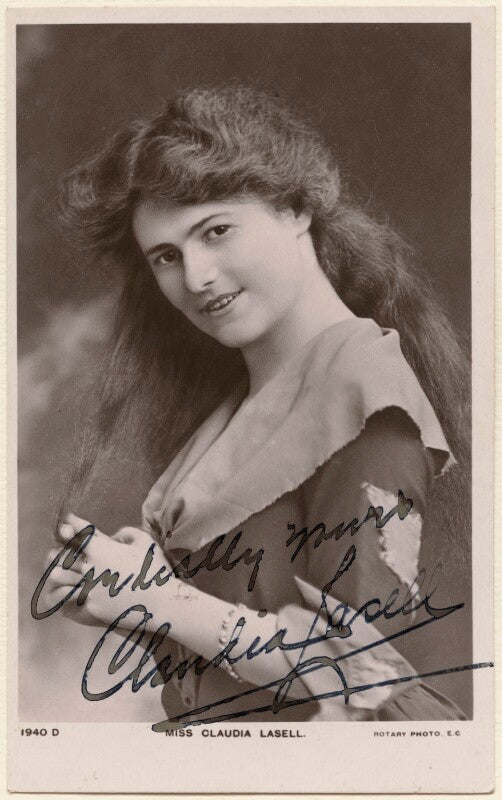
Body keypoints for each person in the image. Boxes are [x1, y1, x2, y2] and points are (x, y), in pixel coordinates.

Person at [43, 85, 470, 724]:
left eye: (216, 231)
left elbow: (355, 669)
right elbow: (240, 647)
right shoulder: (236, 409)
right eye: (167, 257)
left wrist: (156, 598)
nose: (196, 277)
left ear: (297, 208)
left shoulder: (365, 393)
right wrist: (128, 596)